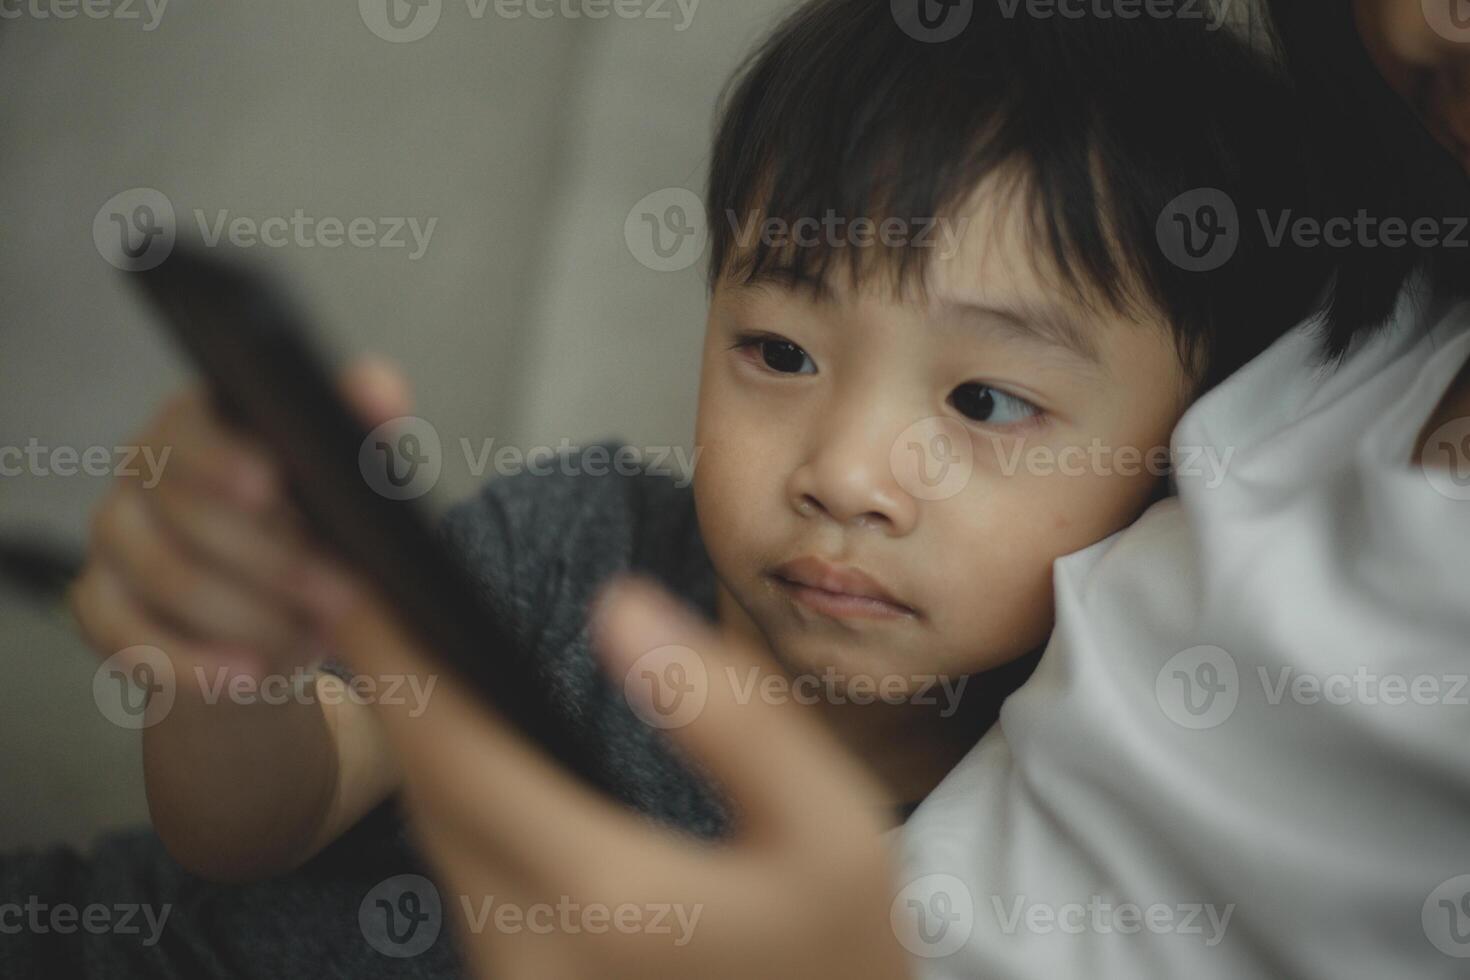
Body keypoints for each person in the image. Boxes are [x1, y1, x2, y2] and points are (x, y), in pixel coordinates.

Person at [46, 3, 1387, 980]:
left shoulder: (1043, 838)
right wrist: (228, 676)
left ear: (1181, 464)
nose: (844, 474)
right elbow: (244, 822)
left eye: (985, 402)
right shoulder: (585, 548)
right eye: (778, 352)